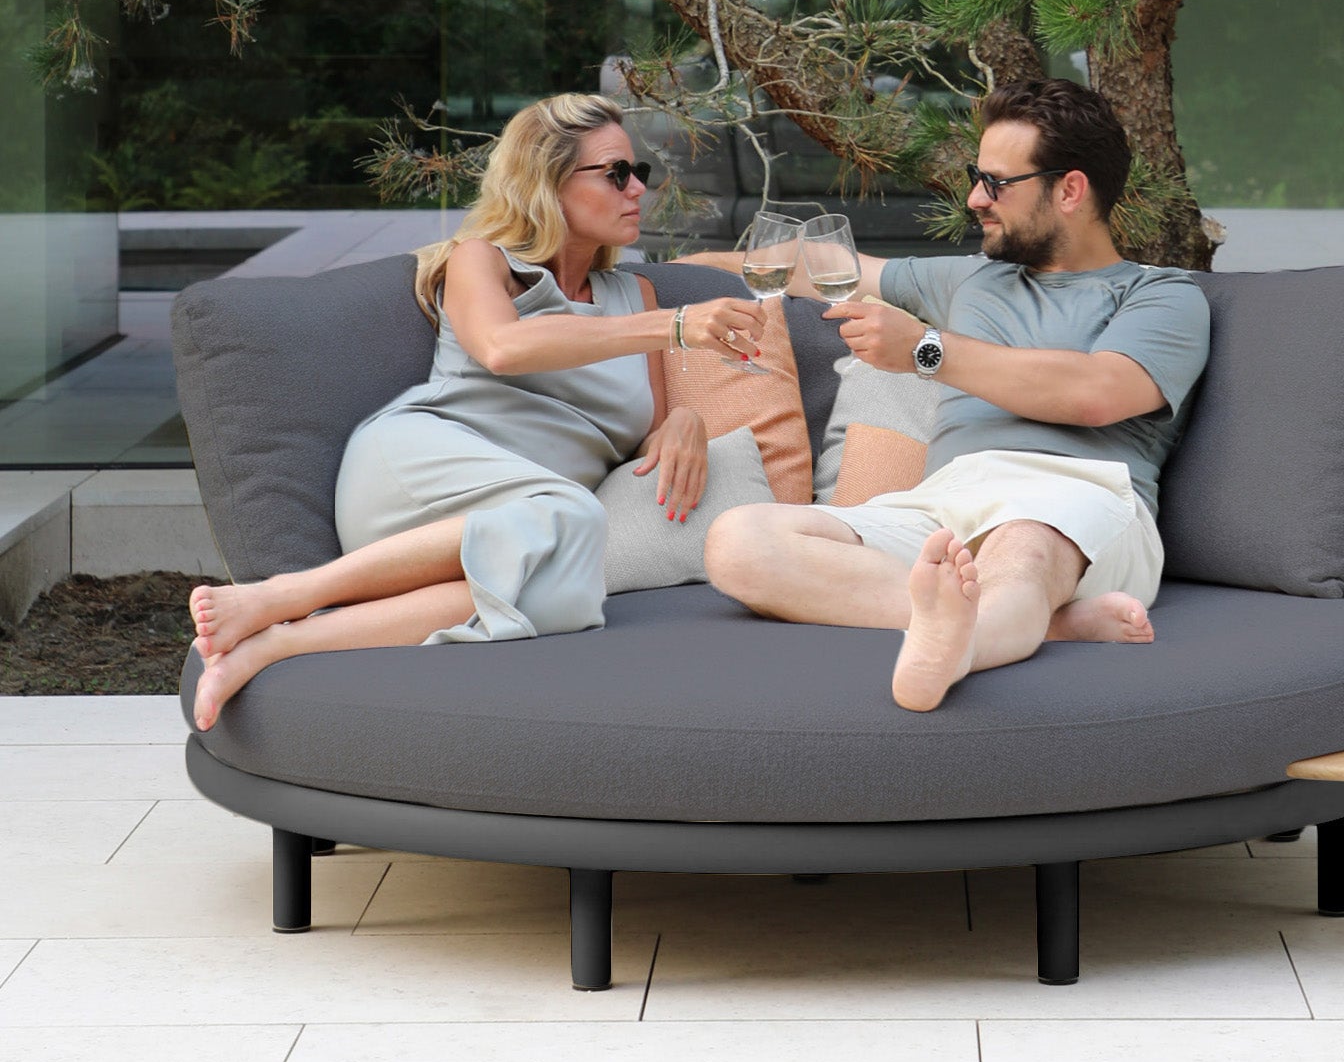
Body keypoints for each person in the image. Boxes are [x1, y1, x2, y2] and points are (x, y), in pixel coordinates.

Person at [186, 92, 766, 731]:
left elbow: (641, 431)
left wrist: (686, 421)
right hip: (423, 472)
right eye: (616, 173)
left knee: (566, 589)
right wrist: (675, 327)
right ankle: (291, 592)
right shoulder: (482, 261)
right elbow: (502, 347)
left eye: (640, 173)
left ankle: (277, 640)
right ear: (547, 182)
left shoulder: (639, 297)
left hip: (525, 525)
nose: (638, 191)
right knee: (574, 517)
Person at [703, 78, 1211, 712]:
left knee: (1023, 546)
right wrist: (660, 271)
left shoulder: (1162, 295)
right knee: (740, 541)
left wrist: (927, 351)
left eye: (997, 183)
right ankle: (1041, 624)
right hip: (941, 503)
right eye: (978, 176)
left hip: (1077, 498)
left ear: (1070, 190)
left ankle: (958, 643)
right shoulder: (968, 277)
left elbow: (1097, 393)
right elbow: (818, 266)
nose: (975, 198)